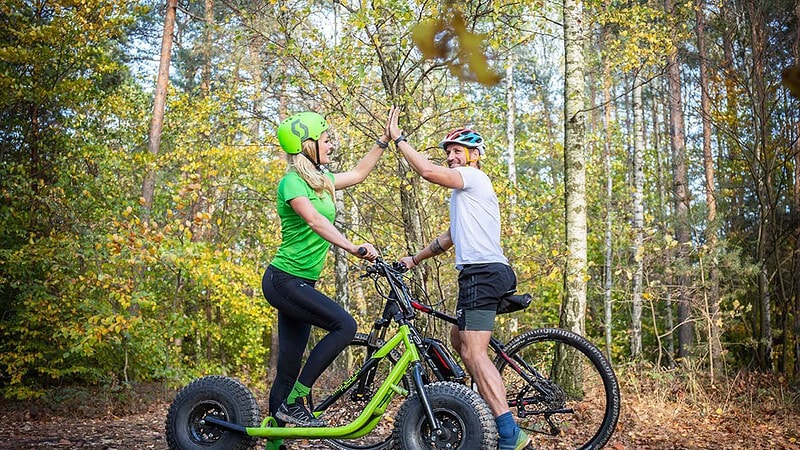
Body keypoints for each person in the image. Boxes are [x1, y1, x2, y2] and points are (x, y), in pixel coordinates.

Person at [387, 106, 532, 450]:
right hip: (478, 274)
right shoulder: (463, 195)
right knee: (458, 339)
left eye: (457, 151)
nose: (451, 157)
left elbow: (424, 170)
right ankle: (476, 406)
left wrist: (399, 140)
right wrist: (413, 259)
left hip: (483, 273)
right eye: (448, 152)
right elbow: (449, 237)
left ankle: (509, 433)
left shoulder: (473, 177)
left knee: (474, 352)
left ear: (474, 156)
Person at [262, 111, 388, 438]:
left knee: (288, 370)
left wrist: (384, 141)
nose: (331, 144)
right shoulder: (292, 181)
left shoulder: (322, 180)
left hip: (301, 282)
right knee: (345, 325)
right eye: (326, 140)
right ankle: (298, 400)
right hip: (283, 280)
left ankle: (278, 436)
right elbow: (315, 222)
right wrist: (353, 247)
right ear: (308, 146)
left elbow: (359, 173)